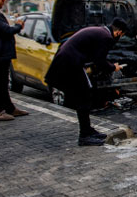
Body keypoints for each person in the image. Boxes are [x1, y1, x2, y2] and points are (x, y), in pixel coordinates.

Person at [45, 18, 128, 146]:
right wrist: (113, 67)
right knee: (83, 97)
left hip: (67, 61)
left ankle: (88, 130)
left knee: (84, 95)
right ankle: (84, 136)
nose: (119, 38)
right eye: (121, 35)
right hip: (70, 64)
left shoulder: (100, 31)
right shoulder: (106, 37)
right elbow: (99, 61)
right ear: (119, 32)